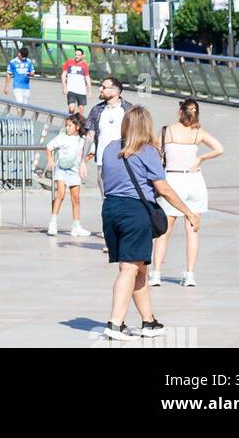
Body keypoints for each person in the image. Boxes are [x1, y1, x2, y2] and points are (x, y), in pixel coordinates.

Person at [99, 105, 197, 340]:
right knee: (129, 268)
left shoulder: (110, 148)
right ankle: (115, 323)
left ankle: (148, 321)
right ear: (147, 126)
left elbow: (104, 178)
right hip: (135, 212)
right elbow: (162, 188)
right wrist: (188, 212)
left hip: (111, 208)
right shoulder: (147, 151)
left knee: (140, 267)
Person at [149, 98, 222, 288]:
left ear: (179, 111)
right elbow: (219, 149)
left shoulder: (167, 131)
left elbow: (155, 154)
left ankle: (156, 273)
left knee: (164, 231)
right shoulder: (198, 132)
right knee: (193, 231)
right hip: (195, 181)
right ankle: (190, 274)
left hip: (173, 180)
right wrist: (200, 159)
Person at [44, 112, 91, 237]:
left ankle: (76, 226)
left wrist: (83, 162)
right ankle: (53, 222)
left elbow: (91, 152)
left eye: (69, 125)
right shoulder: (63, 137)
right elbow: (49, 147)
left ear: (77, 127)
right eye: (66, 125)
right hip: (61, 169)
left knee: (76, 198)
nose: (67, 127)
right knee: (60, 194)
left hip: (74, 171)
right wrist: (50, 160)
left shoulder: (83, 139)